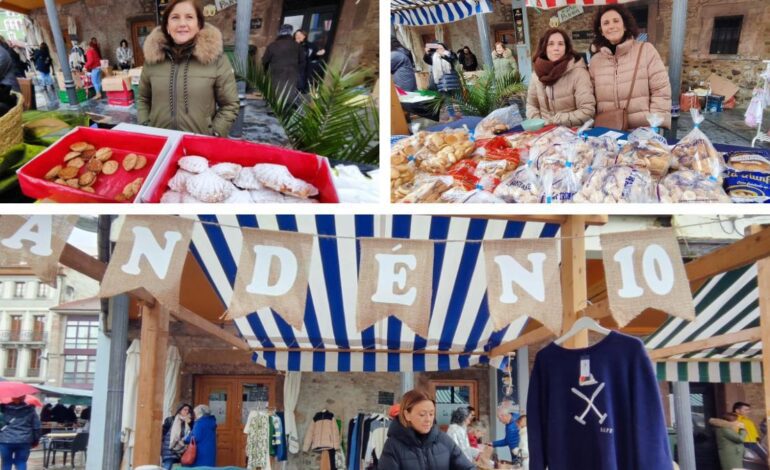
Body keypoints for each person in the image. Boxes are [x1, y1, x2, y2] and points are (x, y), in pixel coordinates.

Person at [138, 0, 239, 137]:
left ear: (198, 25)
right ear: (167, 26)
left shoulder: (215, 59)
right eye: (175, 17)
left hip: (200, 145)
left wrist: (214, 133)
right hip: (160, 141)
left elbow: (230, 104)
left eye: (189, 17)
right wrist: (145, 126)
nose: (182, 24)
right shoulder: (153, 59)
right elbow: (143, 98)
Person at [588, 4, 671, 129]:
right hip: (607, 131)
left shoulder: (646, 51)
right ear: (601, 31)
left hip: (642, 131)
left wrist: (655, 125)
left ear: (625, 25)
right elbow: (591, 98)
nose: (611, 26)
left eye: (616, 21)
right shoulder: (595, 61)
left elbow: (661, 90)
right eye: (606, 23)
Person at [377, 389, 474, 470]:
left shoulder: (444, 440)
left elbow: (467, 467)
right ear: (407, 415)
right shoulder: (393, 446)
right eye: (422, 414)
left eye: (431, 414)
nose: (428, 419)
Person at [526, 27, 595, 127]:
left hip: (573, 134)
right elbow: (531, 105)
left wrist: (555, 121)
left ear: (566, 48)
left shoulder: (579, 73)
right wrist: (538, 123)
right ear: (544, 47)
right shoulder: (536, 74)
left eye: (561, 44)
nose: (556, 48)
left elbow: (587, 110)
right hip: (544, 135)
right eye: (551, 44)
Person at [262, 24, 305, 105]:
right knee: (289, 93)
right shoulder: (297, 46)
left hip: (275, 74)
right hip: (292, 75)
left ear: (279, 33)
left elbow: (265, 61)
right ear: (290, 33)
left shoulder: (272, 46)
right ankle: (286, 110)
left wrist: (266, 72)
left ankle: (272, 109)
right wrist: (296, 72)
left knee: (275, 92)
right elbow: (302, 62)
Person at [0, 395, 41, 470]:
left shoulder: (3, 408)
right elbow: (36, 427)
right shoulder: (31, 409)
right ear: (24, 398)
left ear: (12, 397)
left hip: (5, 440)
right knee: (21, 462)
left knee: (6, 463)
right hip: (24, 440)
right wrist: (36, 440)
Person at [161, 403, 194, 470]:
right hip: (170, 449)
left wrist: (189, 423)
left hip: (181, 449)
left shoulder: (189, 422)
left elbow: (189, 435)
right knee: (168, 466)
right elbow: (163, 433)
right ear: (179, 410)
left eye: (188, 410)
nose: (187, 411)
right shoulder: (171, 420)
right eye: (185, 409)